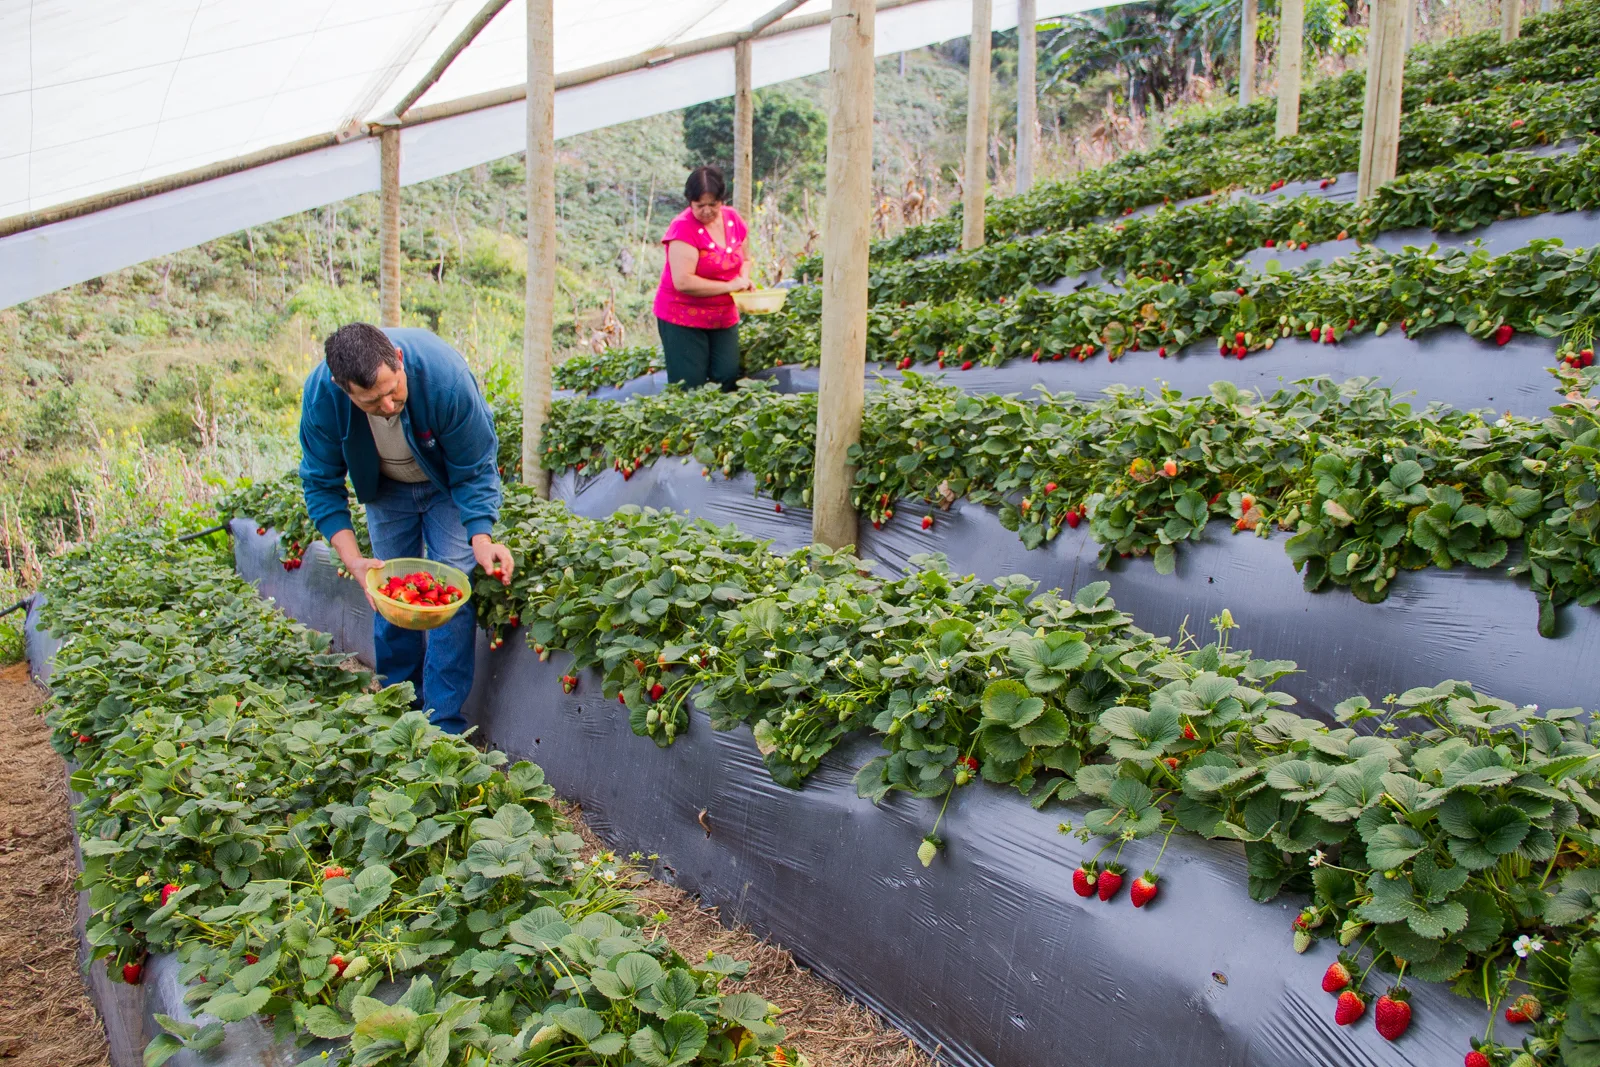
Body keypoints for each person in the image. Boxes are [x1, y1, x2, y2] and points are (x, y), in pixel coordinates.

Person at [298, 323, 514, 734]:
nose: (388, 404)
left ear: (398, 358)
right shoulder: (322, 398)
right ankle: (400, 702)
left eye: (392, 389)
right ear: (344, 389)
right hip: (384, 489)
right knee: (387, 587)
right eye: (371, 401)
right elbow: (321, 483)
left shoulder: (444, 379)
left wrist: (481, 538)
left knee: (449, 593)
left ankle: (443, 722)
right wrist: (356, 561)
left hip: (445, 486)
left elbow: (475, 469)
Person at [653, 165, 754, 390]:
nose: (707, 211)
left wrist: (743, 281)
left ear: (722, 200)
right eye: (700, 205)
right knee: (689, 384)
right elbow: (683, 281)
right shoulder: (682, 228)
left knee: (727, 375)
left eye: (713, 204)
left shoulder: (733, 219)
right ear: (690, 202)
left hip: (723, 314)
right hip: (682, 316)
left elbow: (745, 259)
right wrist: (730, 285)